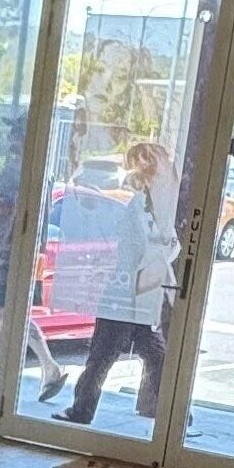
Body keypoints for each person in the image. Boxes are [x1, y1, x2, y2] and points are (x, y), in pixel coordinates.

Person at [63, 138, 175, 423]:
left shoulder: (153, 208)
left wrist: (155, 255)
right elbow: (144, 246)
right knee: (111, 354)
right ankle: (82, 409)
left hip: (138, 291)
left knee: (142, 354)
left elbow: (167, 246)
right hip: (128, 289)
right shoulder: (141, 206)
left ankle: (171, 414)